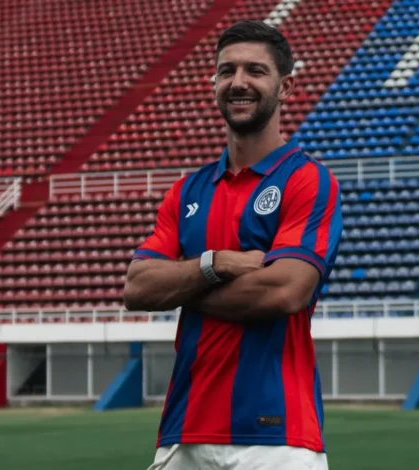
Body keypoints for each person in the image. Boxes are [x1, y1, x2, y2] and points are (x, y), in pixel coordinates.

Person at [124, 19, 342, 470]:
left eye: (255, 71)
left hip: (277, 438)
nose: (238, 82)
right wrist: (216, 263)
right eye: (227, 71)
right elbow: (138, 288)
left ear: (286, 87)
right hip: (183, 433)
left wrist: (181, 286)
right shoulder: (186, 190)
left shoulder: (307, 180)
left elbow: (283, 291)